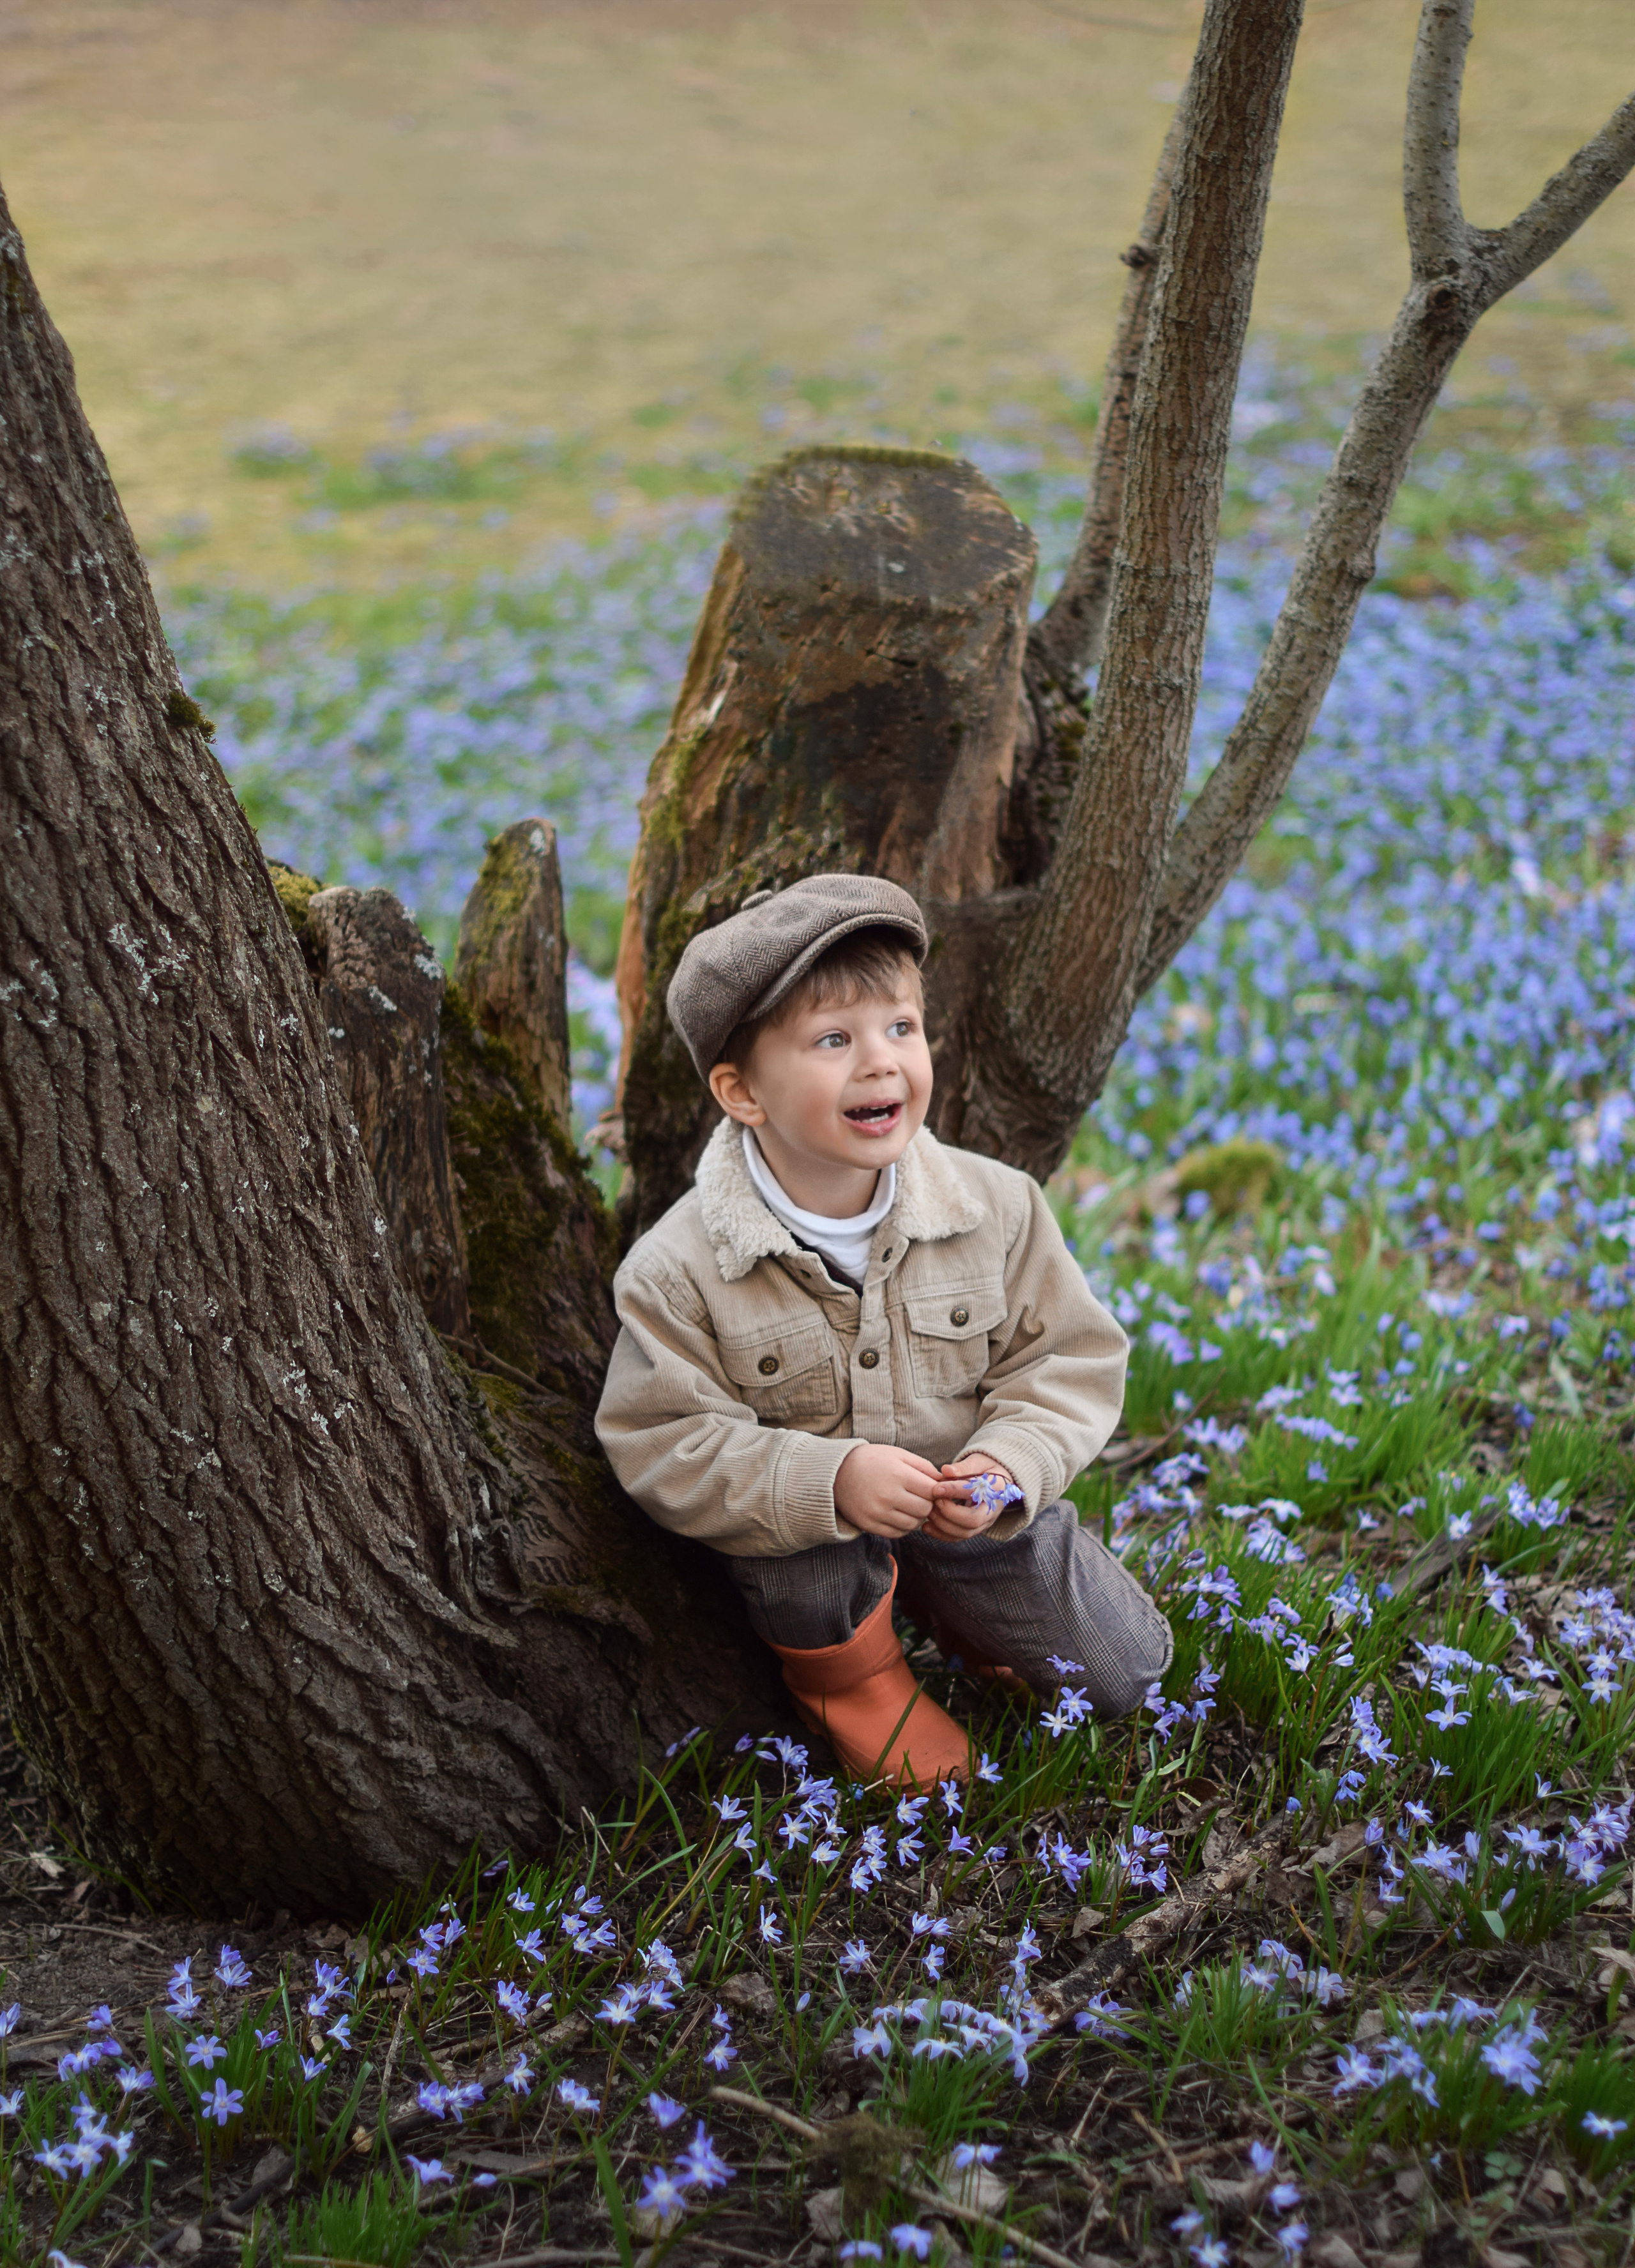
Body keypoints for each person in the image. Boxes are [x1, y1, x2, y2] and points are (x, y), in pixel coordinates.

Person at [595, 873, 1173, 1785]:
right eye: (834, 1040)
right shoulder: (679, 1268)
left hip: (965, 1513)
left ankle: (953, 1605)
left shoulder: (998, 1207)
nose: (881, 1062)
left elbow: (1068, 1357)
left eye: (901, 1028)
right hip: (805, 1544)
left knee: (1127, 1672)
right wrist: (829, 1479)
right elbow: (662, 1440)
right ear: (743, 1092)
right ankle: (853, 1678)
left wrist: (1007, 1466)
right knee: (802, 1562)